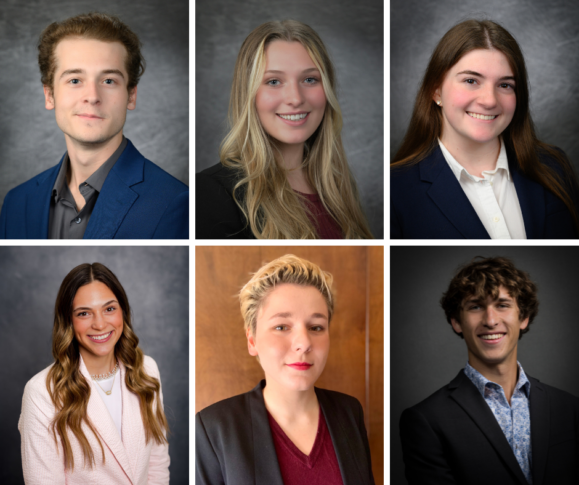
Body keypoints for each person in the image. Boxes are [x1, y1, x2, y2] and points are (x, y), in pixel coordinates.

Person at [0, 12, 188, 239]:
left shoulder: (176, 202)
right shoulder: (17, 203)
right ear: (49, 95)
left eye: (108, 81)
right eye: (75, 80)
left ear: (131, 96)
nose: (92, 96)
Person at [391, 19, 579, 239]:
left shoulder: (554, 166)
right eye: (471, 80)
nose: (490, 100)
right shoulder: (397, 188)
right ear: (436, 91)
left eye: (505, 85)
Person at [195, 255, 375, 484]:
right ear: (252, 341)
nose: (304, 342)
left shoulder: (350, 412)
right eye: (281, 326)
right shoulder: (213, 428)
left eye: (316, 327)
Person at [400, 257, 579, 484]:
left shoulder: (570, 408)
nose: (491, 320)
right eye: (475, 306)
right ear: (456, 321)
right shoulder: (426, 419)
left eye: (502, 305)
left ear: (523, 317)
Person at [196, 20, 373, 239]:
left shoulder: (340, 187)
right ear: (249, 94)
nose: (296, 98)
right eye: (273, 81)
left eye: (310, 79)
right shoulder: (211, 192)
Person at [19, 263, 170, 484]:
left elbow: (157, 463)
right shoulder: (41, 391)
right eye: (84, 313)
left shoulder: (147, 370)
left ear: (123, 311)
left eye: (109, 309)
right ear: (68, 321)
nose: (100, 324)